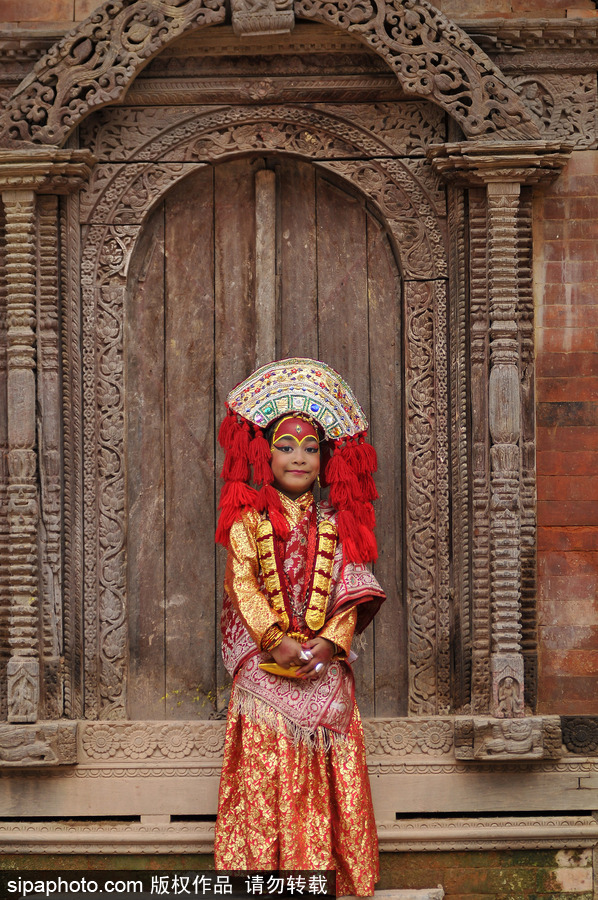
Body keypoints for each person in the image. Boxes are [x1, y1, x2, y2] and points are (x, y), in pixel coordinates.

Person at [214, 358, 386, 897]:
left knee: (330, 722)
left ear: (326, 458)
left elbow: (351, 588)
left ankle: (328, 879)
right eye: (286, 445)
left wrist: (330, 644)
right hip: (266, 665)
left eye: (311, 447)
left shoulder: (338, 523)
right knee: (267, 766)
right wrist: (276, 640)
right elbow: (241, 587)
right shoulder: (248, 521)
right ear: (264, 452)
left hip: (321, 663)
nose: (298, 457)